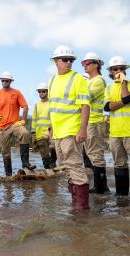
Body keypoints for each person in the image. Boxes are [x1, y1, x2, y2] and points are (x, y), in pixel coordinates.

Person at [48, 45, 90, 210]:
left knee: (75, 168)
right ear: (56, 61)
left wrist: (83, 129)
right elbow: (54, 108)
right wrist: (51, 130)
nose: (69, 63)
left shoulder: (78, 78)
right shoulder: (52, 81)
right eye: (65, 60)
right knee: (66, 169)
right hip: (58, 133)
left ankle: (82, 210)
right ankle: (75, 206)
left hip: (72, 131)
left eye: (71, 60)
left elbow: (85, 106)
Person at [0, 71, 35, 176]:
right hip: (2, 127)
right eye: (3, 80)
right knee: (5, 151)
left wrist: (23, 121)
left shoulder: (16, 92)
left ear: (11, 81)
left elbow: (25, 106)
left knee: (25, 133)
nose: (4, 82)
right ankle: (8, 174)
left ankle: (25, 163)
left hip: (15, 124)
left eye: (6, 80)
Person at [81, 52, 110, 194]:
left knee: (96, 154)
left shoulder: (98, 80)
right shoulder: (89, 81)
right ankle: (100, 186)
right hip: (89, 121)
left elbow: (86, 98)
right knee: (91, 153)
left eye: (87, 63)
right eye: (83, 63)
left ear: (96, 64)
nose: (84, 66)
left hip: (95, 121)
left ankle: (101, 187)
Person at [104, 56, 130, 196]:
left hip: (129, 132)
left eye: (121, 68)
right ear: (111, 71)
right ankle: (122, 196)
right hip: (115, 134)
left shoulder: (129, 84)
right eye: (115, 69)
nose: (119, 71)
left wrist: (124, 82)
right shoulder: (109, 88)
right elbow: (107, 107)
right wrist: (124, 101)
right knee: (119, 165)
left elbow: (126, 96)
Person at [31, 82, 56, 169]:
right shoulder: (37, 105)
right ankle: (47, 168)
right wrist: (33, 133)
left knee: (53, 149)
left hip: (51, 131)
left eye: (43, 91)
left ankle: (53, 165)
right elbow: (34, 119)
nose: (41, 93)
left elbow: (54, 118)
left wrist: (51, 131)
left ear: (47, 92)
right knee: (43, 152)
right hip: (40, 132)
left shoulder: (52, 103)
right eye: (40, 91)